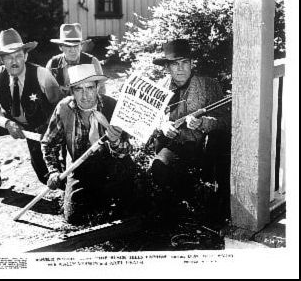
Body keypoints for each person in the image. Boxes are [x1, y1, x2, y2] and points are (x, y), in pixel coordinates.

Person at [0, 28, 62, 200]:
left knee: (45, 176)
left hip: (39, 127)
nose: (14, 62)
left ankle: (71, 187)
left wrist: (50, 132)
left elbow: (60, 106)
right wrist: (7, 123)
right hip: (13, 121)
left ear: (26, 56)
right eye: (8, 57)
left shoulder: (41, 74)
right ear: (1, 60)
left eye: (18, 56)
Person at [41, 64, 134, 225]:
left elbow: (127, 150)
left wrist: (115, 142)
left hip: (113, 166)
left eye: (89, 88)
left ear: (97, 87)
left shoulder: (113, 106)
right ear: (72, 91)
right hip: (80, 168)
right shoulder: (64, 108)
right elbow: (48, 143)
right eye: (78, 89)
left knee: (130, 208)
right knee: (74, 218)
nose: (85, 95)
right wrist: (53, 171)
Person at [150, 39, 231, 217]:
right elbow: (149, 119)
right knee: (158, 167)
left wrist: (203, 123)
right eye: (174, 64)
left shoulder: (209, 85)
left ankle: (211, 205)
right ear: (167, 68)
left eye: (184, 62)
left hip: (203, 147)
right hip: (173, 146)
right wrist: (163, 126)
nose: (180, 68)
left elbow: (225, 121)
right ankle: (177, 209)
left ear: (191, 64)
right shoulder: (159, 88)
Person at [46, 23, 106, 96]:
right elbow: (47, 89)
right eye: (68, 46)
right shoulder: (53, 63)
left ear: (81, 46)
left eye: (76, 46)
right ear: (61, 47)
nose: (73, 50)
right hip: (60, 104)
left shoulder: (92, 62)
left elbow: (101, 89)